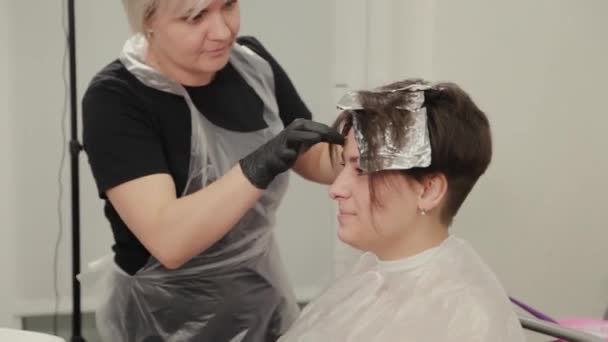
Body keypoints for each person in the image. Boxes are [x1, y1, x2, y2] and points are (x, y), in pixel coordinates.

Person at [81, 0, 343, 341]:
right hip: (164, 318)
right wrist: (258, 165)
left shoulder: (253, 65)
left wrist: (364, 147)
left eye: (229, 5)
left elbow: (313, 157)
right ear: (148, 21)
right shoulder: (116, 97)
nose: (222, 31)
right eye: (196, 17)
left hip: (261, 297)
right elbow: (170, 241)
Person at [279, 79, 526, 341]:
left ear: (428, 190)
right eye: (344, 167)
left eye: (361, 169)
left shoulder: (466, 319)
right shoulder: (372, 274)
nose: (336, 189)